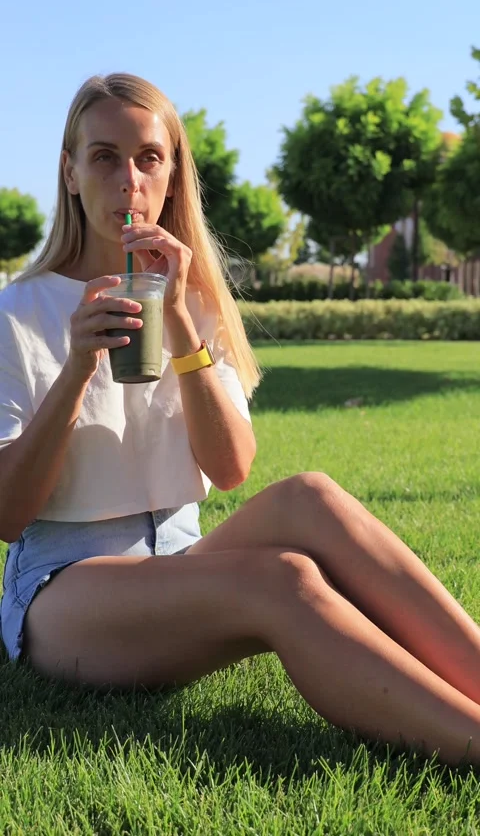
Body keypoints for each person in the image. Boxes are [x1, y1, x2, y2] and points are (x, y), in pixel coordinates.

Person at [1, 73, 480, 768]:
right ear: (70, 173)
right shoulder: (18, 312)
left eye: (149, 158)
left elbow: (229, 471)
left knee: (310, 495)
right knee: (279, 580)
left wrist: (186, 330)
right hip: (65, 591)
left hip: (179, 559)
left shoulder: (193, 298)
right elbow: (9, 515)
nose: (128, 179)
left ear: (170, 177)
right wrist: (77, 366)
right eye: (103, 157)